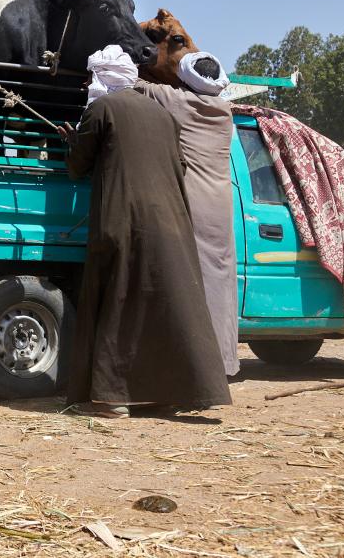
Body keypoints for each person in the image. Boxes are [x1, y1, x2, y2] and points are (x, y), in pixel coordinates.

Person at [57, 46, 231, 418]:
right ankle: (165, 396)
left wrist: (70, 139)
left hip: (123, 220)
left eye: (92, 77)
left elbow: (77, 166)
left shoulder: (102, 108)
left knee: (117, 302)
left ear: (102, 78)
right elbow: (179, 164)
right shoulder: (164, 114)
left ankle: (110, 398)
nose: (90, 84)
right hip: (171, 223)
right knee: (158, 308)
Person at [134, 52, 239, 376]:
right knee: (219, 285)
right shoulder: (225, 112)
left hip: (188, 204)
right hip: (220, 209)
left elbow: (133, 83)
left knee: (183, 284)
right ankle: (221, 365)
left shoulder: (178, 102)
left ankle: (185, 366)